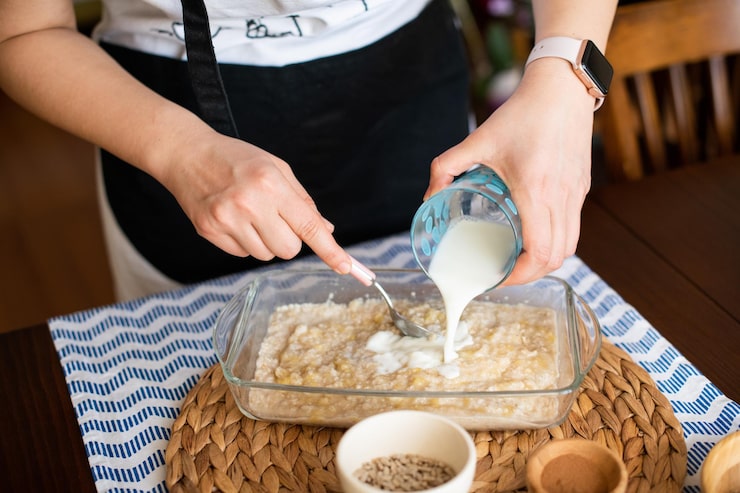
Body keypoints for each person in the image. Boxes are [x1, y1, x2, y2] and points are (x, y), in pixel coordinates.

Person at [0, 0, 617, 301]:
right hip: (161, 109)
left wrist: (566, 75)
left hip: (409, 84)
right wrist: (180, 152)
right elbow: (25, 30)